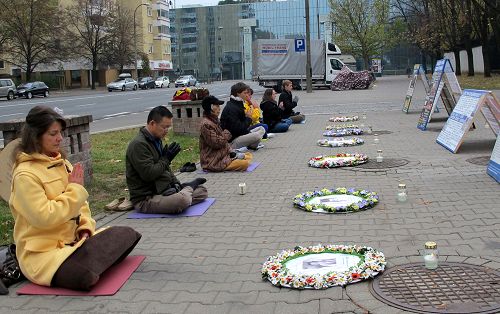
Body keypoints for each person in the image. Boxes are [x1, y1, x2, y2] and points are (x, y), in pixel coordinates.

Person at [9, 106, 141, 291]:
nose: (60, 138)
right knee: (84, 277)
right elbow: (44, 217)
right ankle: (87, 263)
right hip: (44, 254)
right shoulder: (25, 175)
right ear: (36, 136)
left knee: (128, 234)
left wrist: (85, 229)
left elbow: (82, 207)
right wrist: (75, 189)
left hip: (76, 243)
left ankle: (89, 259)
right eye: (53, 133)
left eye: (60, 132)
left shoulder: (64, 164)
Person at [126, 106, 208, 214]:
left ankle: (183, 190)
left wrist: (176, 184)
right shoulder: (138, 145)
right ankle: (187, 190)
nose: (166, 131)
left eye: (168, 127)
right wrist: (166, 159)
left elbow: (165, 169)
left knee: (202, 191)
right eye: (164, 127)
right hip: (146, 198)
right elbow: (149, 174)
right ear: (152, 123)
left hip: (163, 190)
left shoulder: (156, 140)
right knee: (181, 200)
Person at [199, 96, 252, 172]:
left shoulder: (214, 121)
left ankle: (233, 159)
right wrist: (227, 133)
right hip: (212, 161)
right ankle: (231, 161)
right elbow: (216, 143)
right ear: (211, 107)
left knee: (248, 156)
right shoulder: (206, 124)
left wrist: (232, 153)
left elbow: (224, 143)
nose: (219, 108)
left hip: (222, 156)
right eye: (217, 106)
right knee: (245, 164)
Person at [220, 82, 265, 150]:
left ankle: (250, 144)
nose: (247, 95)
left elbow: (243, 127)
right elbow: (238, 129)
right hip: (233, 140)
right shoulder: (232, 108)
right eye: (245, 93)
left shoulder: (238, 104)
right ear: (238, 93)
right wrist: (248, 118)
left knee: (261, 128)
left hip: (240, 135)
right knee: (257, 135)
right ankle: (251, 144)